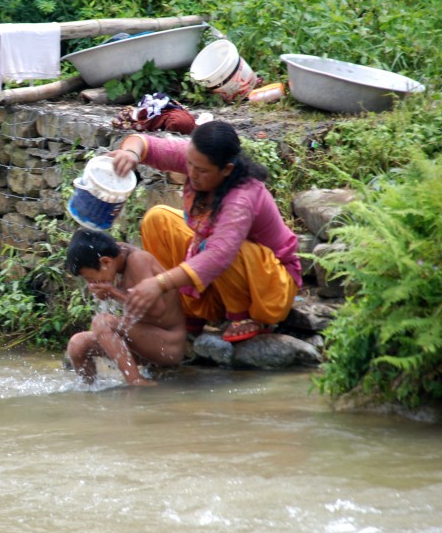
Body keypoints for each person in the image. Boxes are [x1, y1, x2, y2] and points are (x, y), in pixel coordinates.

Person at [109, 120, 301, 343]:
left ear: (227, 169)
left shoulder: (242, 198)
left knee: (227, 246)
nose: (192, 173)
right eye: (189, 165)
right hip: (217, 275)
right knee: (158, 218)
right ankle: (188, 310)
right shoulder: (197, 160)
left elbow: (218, 255)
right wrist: (131, 153)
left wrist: (159, 283)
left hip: (267, 290)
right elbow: (144, 143)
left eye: (200, 170)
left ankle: (243, 316)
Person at [64, 228, 187, 386]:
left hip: (168, 347)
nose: (90, 284)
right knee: (77, 344)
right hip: (143, 343)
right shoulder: (117, 259)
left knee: (102, 322)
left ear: (106, 262)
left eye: (90, 278)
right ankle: (91, 391)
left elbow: (158, 311)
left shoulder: (138, 260)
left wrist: (114, 294)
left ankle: (136, 381)